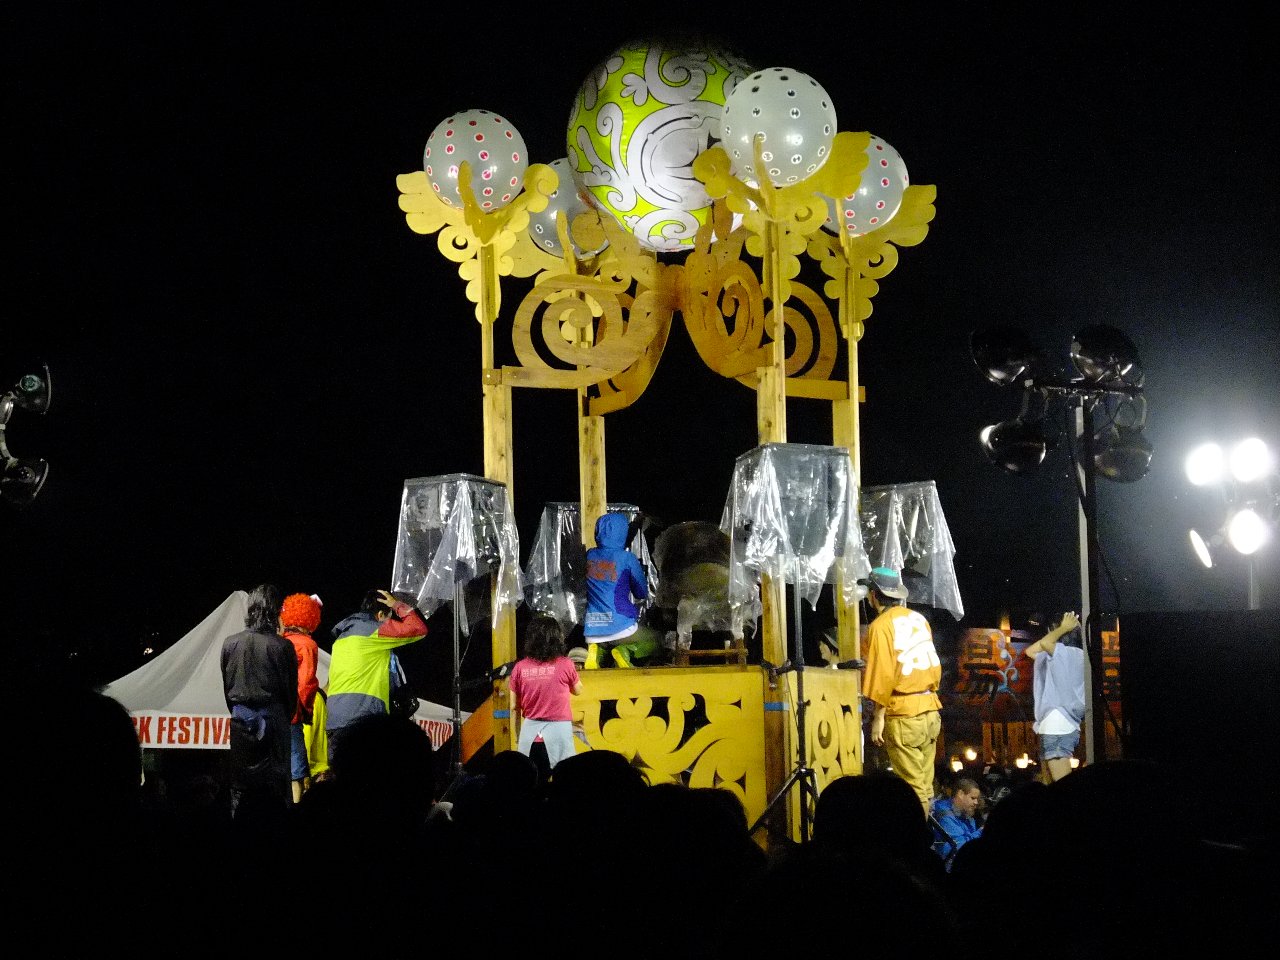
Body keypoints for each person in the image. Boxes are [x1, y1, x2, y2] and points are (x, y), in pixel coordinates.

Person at [859, 565, 943, 816]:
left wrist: (878, 717)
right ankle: (925, 845)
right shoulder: (919, 619)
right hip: (930, 710)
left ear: (873, 595)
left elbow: (883, 674)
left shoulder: (881, 625)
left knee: (913, 789)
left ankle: (915, 848)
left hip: (905, 715)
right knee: (925, 787)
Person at [219, 582, 297, 816]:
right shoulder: (282, 646)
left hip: (241, 720)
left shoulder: (230, 643)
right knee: (277, 789)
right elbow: (290, 694)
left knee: (240, 788)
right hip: (273, 721)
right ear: (273, 611)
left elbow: (227, 688)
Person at [325, 588, 428, 764]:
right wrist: (396, 605)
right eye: (389, 618)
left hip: (335, 720)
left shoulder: (341, 639)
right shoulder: (374, 630)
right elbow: (418, 629)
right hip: (363, 719)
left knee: (341, 780)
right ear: (380, 614)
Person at [583, 511, 659, 668]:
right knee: (655, 641)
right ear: (622, 533)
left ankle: (595, 652)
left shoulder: (589, 556)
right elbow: (641, 593)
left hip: (592, 629)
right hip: (621, 625)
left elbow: (610, 550)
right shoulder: (627, 558)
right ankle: (625, 651)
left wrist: (636, 524)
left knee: (604, 646)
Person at [509, 614, 584, 772]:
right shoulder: (566, 664)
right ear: (557, 638)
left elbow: (514, 706)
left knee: (533, 782)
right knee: (563, 780)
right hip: (559, 735)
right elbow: (578, 691)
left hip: (531, 736)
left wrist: (517, 736)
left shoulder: (519, 668)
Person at [1024, 610, 1084, 781]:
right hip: (1057, 726)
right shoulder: (1071, 654)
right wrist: (1064, 629)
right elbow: (1030, 651)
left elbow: (1045, 643)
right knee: (1050, 788)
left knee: (1061, 789)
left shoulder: (1065, 653)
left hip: (1057, 726)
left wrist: (1062, 628)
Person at [280, 591, 322, 802]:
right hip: (293, 714)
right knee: (296, 773)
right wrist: (305, 711)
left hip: (274, 712)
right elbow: (305, 683)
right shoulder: (307, 644)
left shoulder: (279, 642)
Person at [930, 776, 983, 869]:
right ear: (961, 794)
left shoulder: (967, 815)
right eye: (973, 798)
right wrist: (982, 832)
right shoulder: (944, 815)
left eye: (977, 799)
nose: (976, 802)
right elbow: (959, 847)